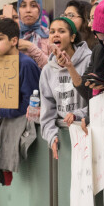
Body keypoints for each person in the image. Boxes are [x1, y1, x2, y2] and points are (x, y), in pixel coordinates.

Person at [39, 17, 92, 159]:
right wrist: (51, 136)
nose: (55, 35)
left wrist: (79, 113)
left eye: (61, 31)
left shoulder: (88, 60)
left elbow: (97, 99)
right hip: (64, 138)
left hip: (88, 132)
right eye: (52, 31)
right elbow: (47, 109)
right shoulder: (47, 70)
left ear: (73, 37)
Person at [0, 18, 41, 120]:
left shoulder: (25, 64)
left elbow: (31, 105)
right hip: (4, 127)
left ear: (14, 41)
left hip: (24, 128)